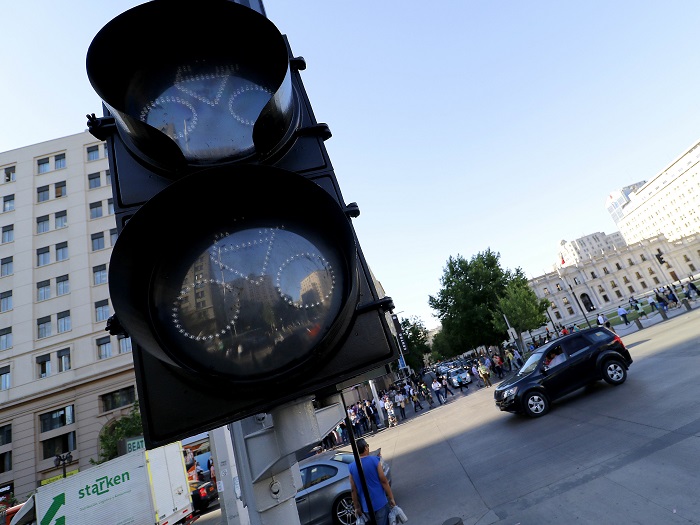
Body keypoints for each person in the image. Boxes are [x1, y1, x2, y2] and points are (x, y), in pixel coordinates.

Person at [349, 438, 396, 525]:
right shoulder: (375, 460)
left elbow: (353, 489)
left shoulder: (352, 467)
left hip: (366, 507)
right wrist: (391, 497)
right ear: (366, 448)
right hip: (380, 502)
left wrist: (357, 507)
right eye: (367, 446)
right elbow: (384, 481)